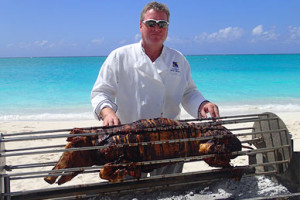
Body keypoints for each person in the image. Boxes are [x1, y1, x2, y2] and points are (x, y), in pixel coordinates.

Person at [91, 1, 219, 176]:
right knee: (131, 191)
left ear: (167, 28)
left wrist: (202, 104)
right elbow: (101, 91)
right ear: (140, 26)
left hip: (171, 139)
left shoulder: (178, 59)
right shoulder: (120, 56)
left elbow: (188, 92)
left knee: (168, 189)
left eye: (162, 24)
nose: (156, 28)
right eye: (151, 23)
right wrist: (107, 112)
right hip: (130, 141)